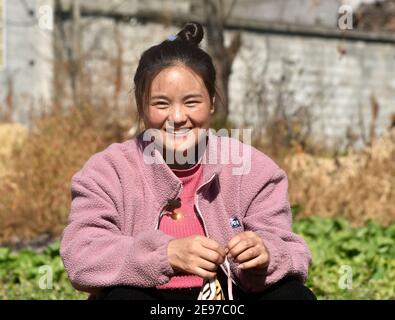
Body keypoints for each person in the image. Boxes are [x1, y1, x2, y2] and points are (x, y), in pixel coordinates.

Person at [60, 21, 316, 300]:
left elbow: (294, 252)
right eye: (161, 104)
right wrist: (165, 255)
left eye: (192, 102)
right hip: (153, 302)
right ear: (142, 107)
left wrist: (266, 253)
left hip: (227, 301)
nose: (178, 117)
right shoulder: (108, 171)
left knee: (293, 296)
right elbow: (81, 255)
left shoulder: (253, 169)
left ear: (213, 103)